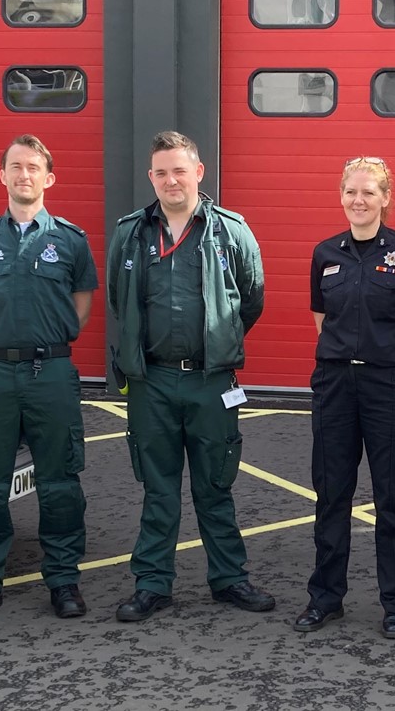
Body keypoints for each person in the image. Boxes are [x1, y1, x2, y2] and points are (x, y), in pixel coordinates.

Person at [107, 130, 272, 621]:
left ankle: (229, 579)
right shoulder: (131, 232)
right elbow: (120, 300)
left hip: (210, 382)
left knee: (214, 486)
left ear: (198, 173)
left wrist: (218, 342)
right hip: (150, 382)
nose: (170, 180)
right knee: (158, 488)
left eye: (179, 170)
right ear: (151, 177)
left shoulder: (230, 230)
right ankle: (152, 584)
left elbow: (252, 298)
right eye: (161, 172)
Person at [0, 134, 98, 623]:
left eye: (33, 167)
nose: (24, 175)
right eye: (15, 166)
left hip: (50, 372)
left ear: (48, 178)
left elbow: (80, 309)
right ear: (3, 175)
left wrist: (44, 340)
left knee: (60, 483)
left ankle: (63, 581)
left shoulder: (70, 241)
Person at [293, 157, 395, 640]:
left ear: (385, 199)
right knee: (331, 493)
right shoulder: (324, 254)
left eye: (369, 193)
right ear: (341, 196)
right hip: (335, 384)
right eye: (351, 192)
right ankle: (325, 598)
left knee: (392, 496)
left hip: (388, 386)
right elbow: (322, 319)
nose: (359, 200)